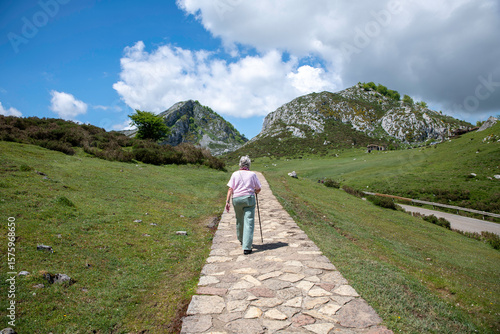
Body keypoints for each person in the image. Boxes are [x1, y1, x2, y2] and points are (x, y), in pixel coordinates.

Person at [225, 156, 262, 255]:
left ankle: (241, 239)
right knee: (249, 222)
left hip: (236, 199)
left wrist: (227, 201)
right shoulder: (252, 174)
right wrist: (254, 191)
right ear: (249, 164)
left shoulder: (235, 174)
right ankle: (247, 247)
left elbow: (230, 189)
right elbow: (258, 189)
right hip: (249, 199)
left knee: (239, 219)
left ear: (240, 164)